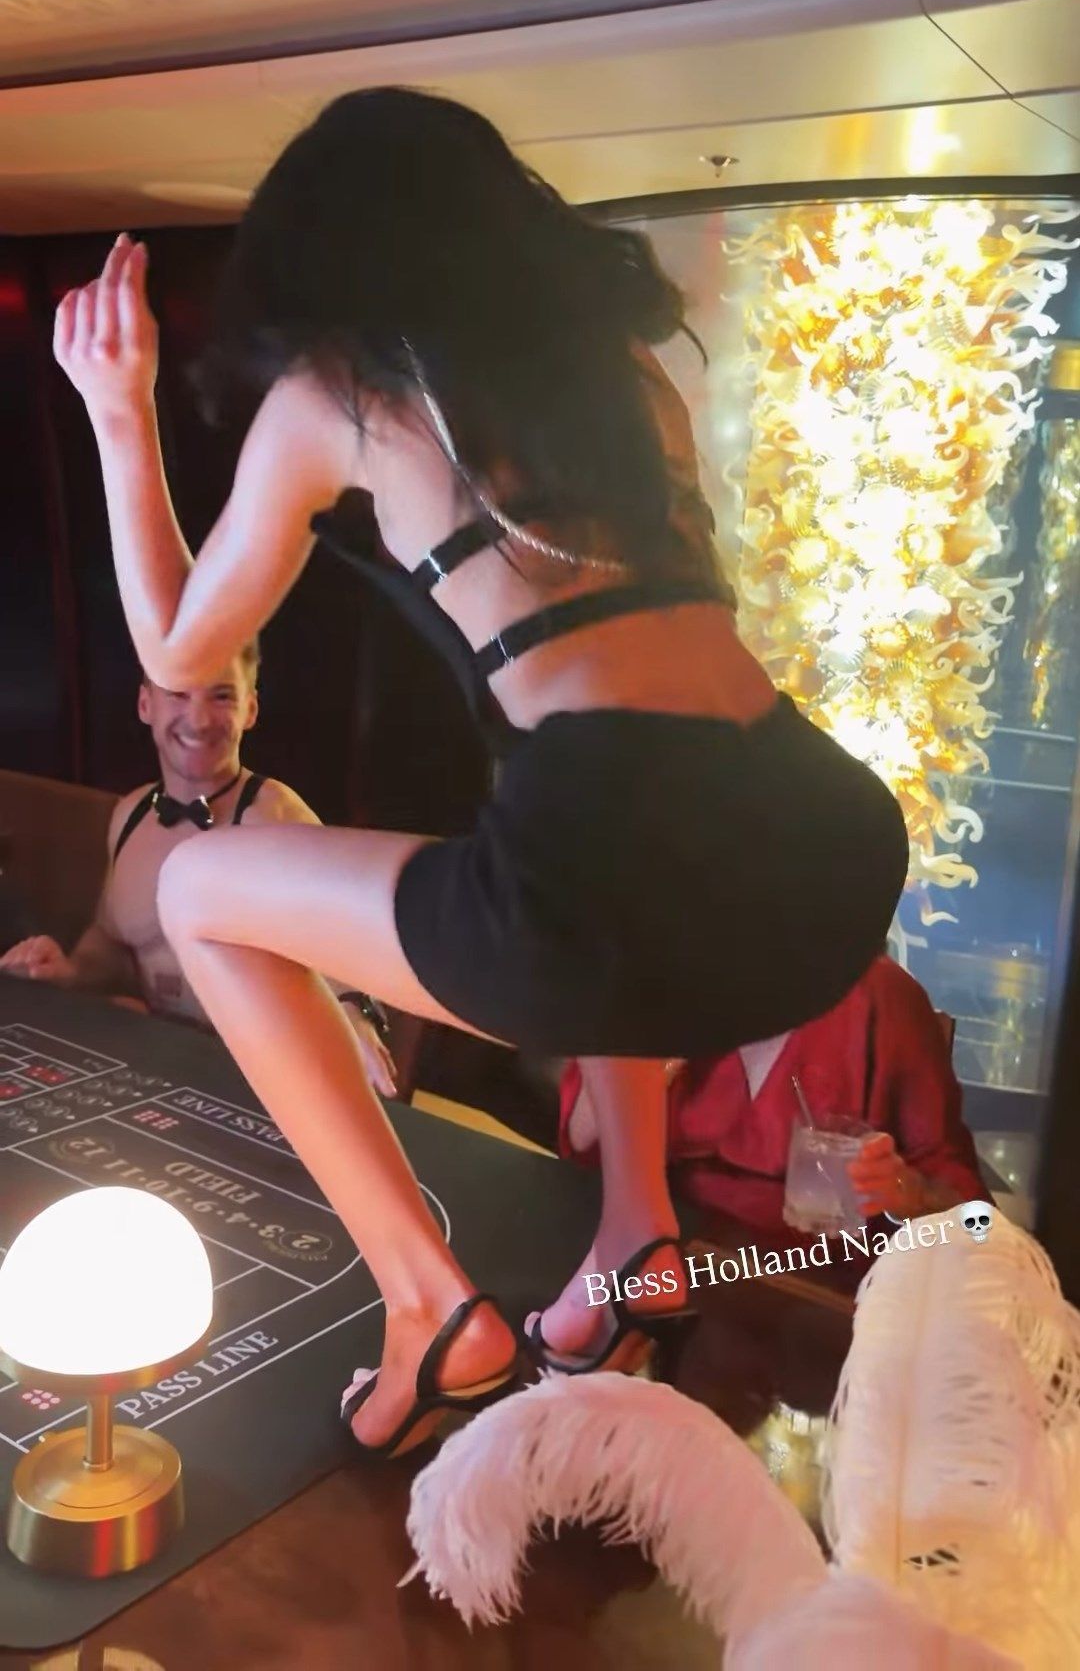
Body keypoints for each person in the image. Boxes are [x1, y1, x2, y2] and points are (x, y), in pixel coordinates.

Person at [49, 89, 908, 1457]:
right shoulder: (626, 373)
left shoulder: (340, 395)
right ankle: (637, 1241)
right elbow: (640, 719)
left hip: (618, 863)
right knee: (594, 824)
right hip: (829, 845)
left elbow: (174, 649)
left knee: (200, 888)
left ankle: (429, 1312)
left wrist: (116, 408)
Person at [0, 647, 397, 1096]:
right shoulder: (129, 815)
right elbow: (110, 945)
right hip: (156, 1066)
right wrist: (67, 971)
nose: (200, 718)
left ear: (250, 710)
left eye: (222, 696)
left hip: (256, 1074)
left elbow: (355, 951)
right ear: (145, 704)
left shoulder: (278, 819)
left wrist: (355, 1014)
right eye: (178, 693)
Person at [558, 955, 988, 1234]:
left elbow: (978, 1219)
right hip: (662, 1257)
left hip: (818, 1291)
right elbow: (580, 1148)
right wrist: (657, 1060)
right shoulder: (661, 977)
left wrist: (908, 1192)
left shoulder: (881, 996)